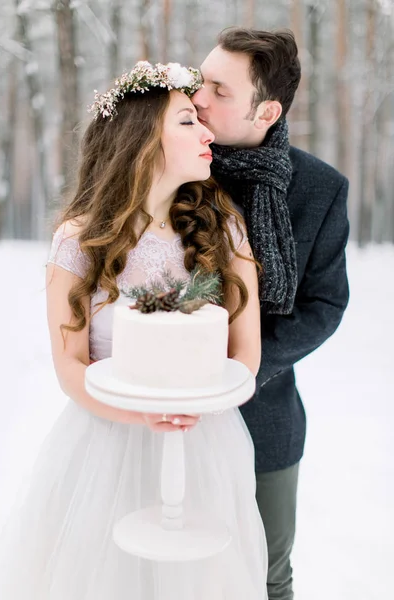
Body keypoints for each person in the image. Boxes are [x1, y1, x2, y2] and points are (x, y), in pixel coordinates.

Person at [0, 61, 268, 599]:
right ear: (142, 138)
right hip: (104, 446)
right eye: (189, 121)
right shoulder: (78, 240)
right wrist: (140, 415)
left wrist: (199, 408)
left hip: (204, 446)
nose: (208, 132)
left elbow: (247, 351)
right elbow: (70, 366)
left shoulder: (225, 228)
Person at [192, 28, 350, 600]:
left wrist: (241, 368)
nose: (198, 98)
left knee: (267, 575)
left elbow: (325, 305)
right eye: (198, 80)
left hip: (266, 417)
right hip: (164, 417)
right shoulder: (172, 166)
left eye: (219, 90)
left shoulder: (320, 189)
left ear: (267, 110)